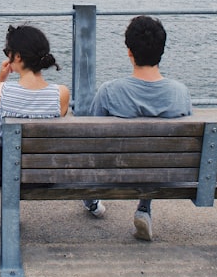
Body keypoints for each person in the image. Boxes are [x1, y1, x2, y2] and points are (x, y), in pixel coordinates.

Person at [82, 15, 192, 241]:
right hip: (166, 175)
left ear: (129, 51)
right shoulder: (180, 93)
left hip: (115, 174)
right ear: (162, 50)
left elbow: (89, 139)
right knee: (154, 156)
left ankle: (91, 200)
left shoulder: (109, 91)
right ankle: (144, 208)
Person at [0, 24, 70, 185]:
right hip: (46, 172)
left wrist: (1, 78)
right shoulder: (61, 93)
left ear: (17, 56)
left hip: (7, 173)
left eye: (8, 52)